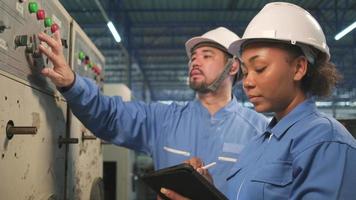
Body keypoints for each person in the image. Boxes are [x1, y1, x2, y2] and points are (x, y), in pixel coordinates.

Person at [37, 27, 268, 194]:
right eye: (192, 58)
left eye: (206, 56)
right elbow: (108, 115)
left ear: (233, 66)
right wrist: (71, 83)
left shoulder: (261, 131)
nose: (195, 62)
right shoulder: (163, 119)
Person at [161, 2, 356, 200]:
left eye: (260, 68)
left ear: (298, 68)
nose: (247, 82)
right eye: (245, 71)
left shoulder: (325, 142)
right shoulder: (257, 145)